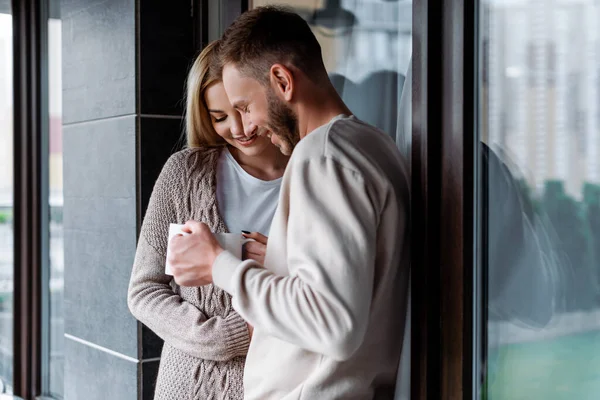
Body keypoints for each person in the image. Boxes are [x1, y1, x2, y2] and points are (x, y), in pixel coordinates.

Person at [169, 6, 411, 399]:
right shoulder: (373, 144)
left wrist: (220, 266)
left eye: (245, 107)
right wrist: (282, 258)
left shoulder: (322, 156)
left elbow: (331, 323)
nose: (246, 127)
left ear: (282, 80)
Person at [127, 40, 288, 400]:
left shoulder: (310, 174)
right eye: (219, 117)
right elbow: (144, 290)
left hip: (283, 383)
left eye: (243, 110)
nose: (239, 128)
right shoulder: (184, 173)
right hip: (189, 386)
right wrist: (224, 335)